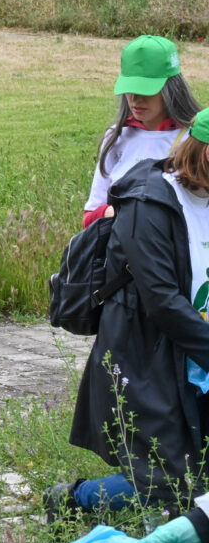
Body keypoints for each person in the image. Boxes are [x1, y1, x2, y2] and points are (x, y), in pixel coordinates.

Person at [47, 109, 209, 522]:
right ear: (204, 155)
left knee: (196, 475)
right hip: (145, 351)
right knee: (164, 479)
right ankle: (72, 499)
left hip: (194, 351)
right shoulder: (147, 203)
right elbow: (161, 300)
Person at [83, 35, 200, 229]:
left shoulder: (194, 140)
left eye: (146, 89)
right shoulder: (116, 138)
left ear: (171, 88)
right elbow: (89, 218)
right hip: (121, 255)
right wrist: (113, 213)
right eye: (130, 88)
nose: (136, 99)